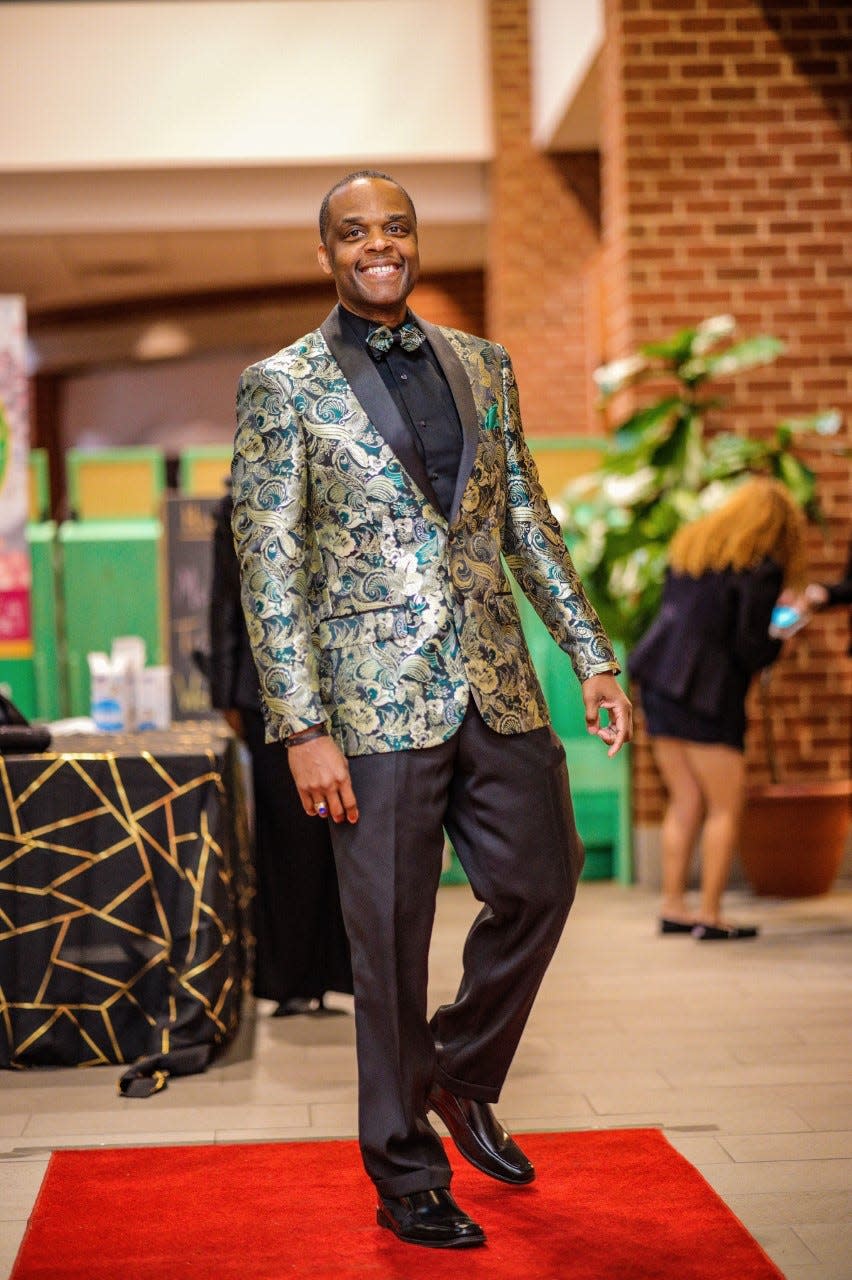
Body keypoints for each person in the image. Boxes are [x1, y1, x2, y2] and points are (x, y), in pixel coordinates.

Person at [231, 170, 632, 1250]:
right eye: (355, 232)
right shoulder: (282, 384)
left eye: (395, 228)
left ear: (415, 242)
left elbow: (528, 522)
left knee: (544, 880)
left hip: (496, 686)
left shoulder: (483, 363)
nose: (379, 245)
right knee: (390, 946)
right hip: (367, 715)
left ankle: (460, 1068)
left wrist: (591, 655)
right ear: (327, 253)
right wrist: (303, 726)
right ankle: (406, 1173)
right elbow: (268, 570)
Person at [628, 477, 807, 942]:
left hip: (660, 681)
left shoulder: (693, 550)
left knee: (685, 799)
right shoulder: (760, 568)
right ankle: (710, 914)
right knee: (726, 805)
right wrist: (782, 634)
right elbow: (750, 649)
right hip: (710, 695)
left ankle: (674, 906)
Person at [208, 484, 353, 1016]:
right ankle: (291, 979)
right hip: (265, 695)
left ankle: (345, 973)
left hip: (349, 688)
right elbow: (225, 601)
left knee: (344, 839)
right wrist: (225, 694)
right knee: (287, 840)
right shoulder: (241, 499)